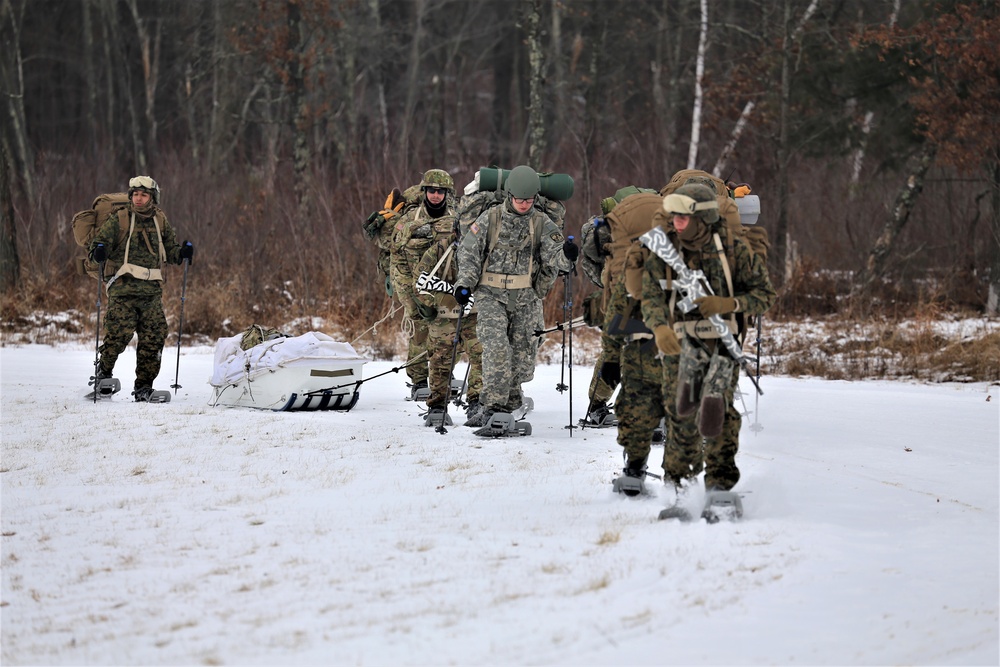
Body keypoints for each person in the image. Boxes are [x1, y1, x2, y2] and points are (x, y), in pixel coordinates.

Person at [640, 183, 775, 496]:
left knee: (720, 416)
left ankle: (719, 485)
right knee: (678, 415)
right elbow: (650, 295)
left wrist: (727, 304)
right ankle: (677, 485)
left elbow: (765, 295)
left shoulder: (733, 249)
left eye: (684, 218)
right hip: (678, 344)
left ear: (702, 218)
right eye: (674, 217)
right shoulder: (665, 248)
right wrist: (659, 328)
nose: (677, 222)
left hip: (722, 343)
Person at [454, 165, 577, 427]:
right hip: (491, 295)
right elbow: (468, 253)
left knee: (523, 356)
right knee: (497, 350)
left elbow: (554, 254)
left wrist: (567, 254)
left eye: (529, 200)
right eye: (519, 199)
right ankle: (491, 406)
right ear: (509, 195)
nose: (523, 204)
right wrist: (464, 284)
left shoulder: (542, 222)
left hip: (526, 297)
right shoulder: (490, 218)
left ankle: (510, 400)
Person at [88, 176, 192, 401]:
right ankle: (103, 374)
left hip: (151, 291)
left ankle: (144, 387)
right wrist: (99, 251)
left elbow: (170, 250)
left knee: (154, 336)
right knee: (119, 333)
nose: (138, 198)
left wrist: (182, 253)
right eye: (135, 194)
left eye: (143, 195)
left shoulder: (160, 220)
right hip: (122, 289)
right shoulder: (120, 219)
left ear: (152, 197)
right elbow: (97, 245)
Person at [389, 169, 456, 400]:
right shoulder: (409, 221)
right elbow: (396, 255)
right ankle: (418, 380)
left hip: (444, 285)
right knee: (420, 329)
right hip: (411, 283)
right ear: (425, 191)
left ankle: (444, 375)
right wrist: (410, 291)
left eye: (440, 192)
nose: (436, 195)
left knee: (448, 331)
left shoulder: (456, 219)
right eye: (431, 191)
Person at [414, 214, 483, 425]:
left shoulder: (485, 249)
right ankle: (437, 405)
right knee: (440, 359)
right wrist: (444, 299)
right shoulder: (439, 251)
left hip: (475, 314)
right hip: (444, 316)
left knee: (482, 356)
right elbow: (419, 283)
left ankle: (478, 401)